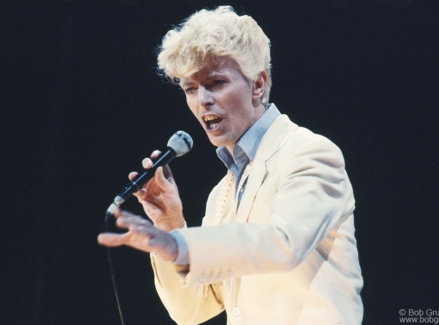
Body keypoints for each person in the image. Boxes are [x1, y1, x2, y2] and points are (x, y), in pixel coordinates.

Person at [98, 6, 363, 325]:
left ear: (257, 85)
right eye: (191, 89)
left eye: (216, 83)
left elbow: (283, 244)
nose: (202, 101)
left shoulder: (310, 153)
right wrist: (170, 223)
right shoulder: (222, 192)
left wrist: (179, 245)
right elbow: (192, 311)